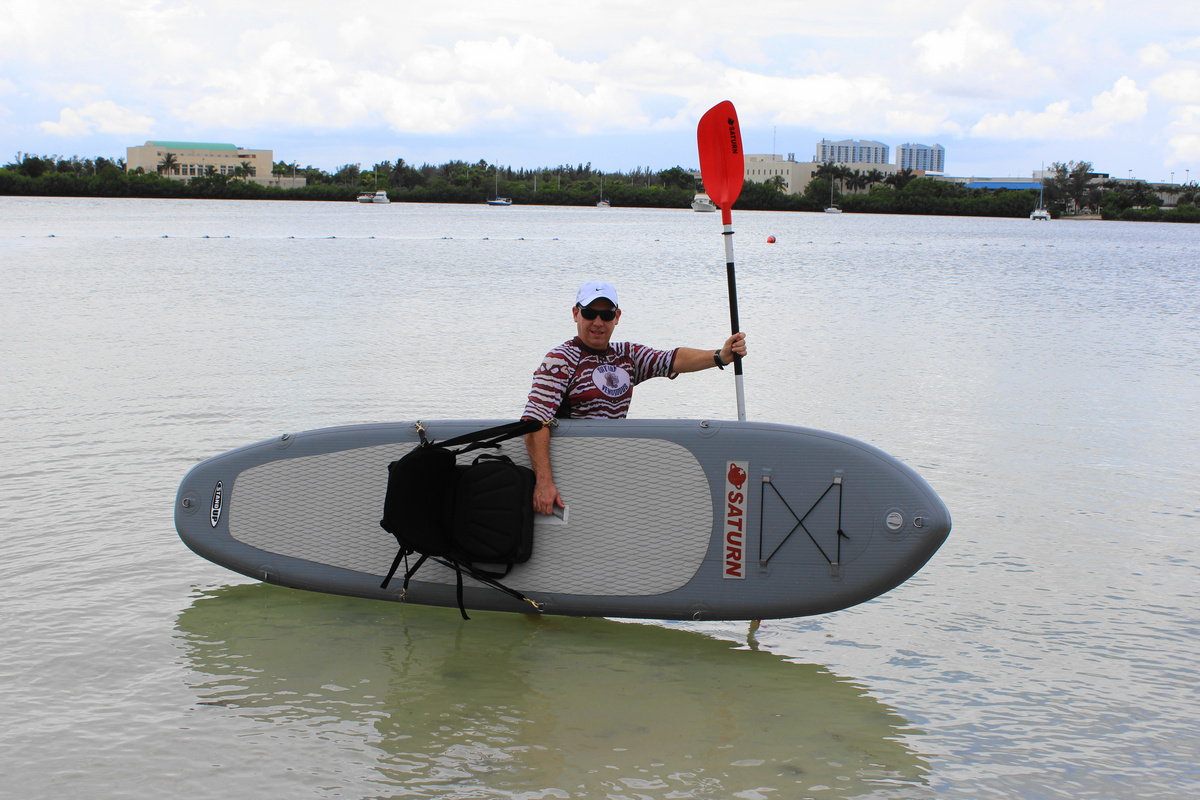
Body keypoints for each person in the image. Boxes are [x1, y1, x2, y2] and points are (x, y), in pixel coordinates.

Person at [521, 280, 747, 515]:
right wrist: (544, 483)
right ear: (576, 314)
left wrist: (719, 356)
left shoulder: (627, 356)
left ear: (617, 317)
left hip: (614, 470)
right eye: (589, 313)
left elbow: (671, 359)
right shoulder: (560, 360)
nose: (598, 322)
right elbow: (534, 421)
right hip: (573, 471)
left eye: (606, 315)